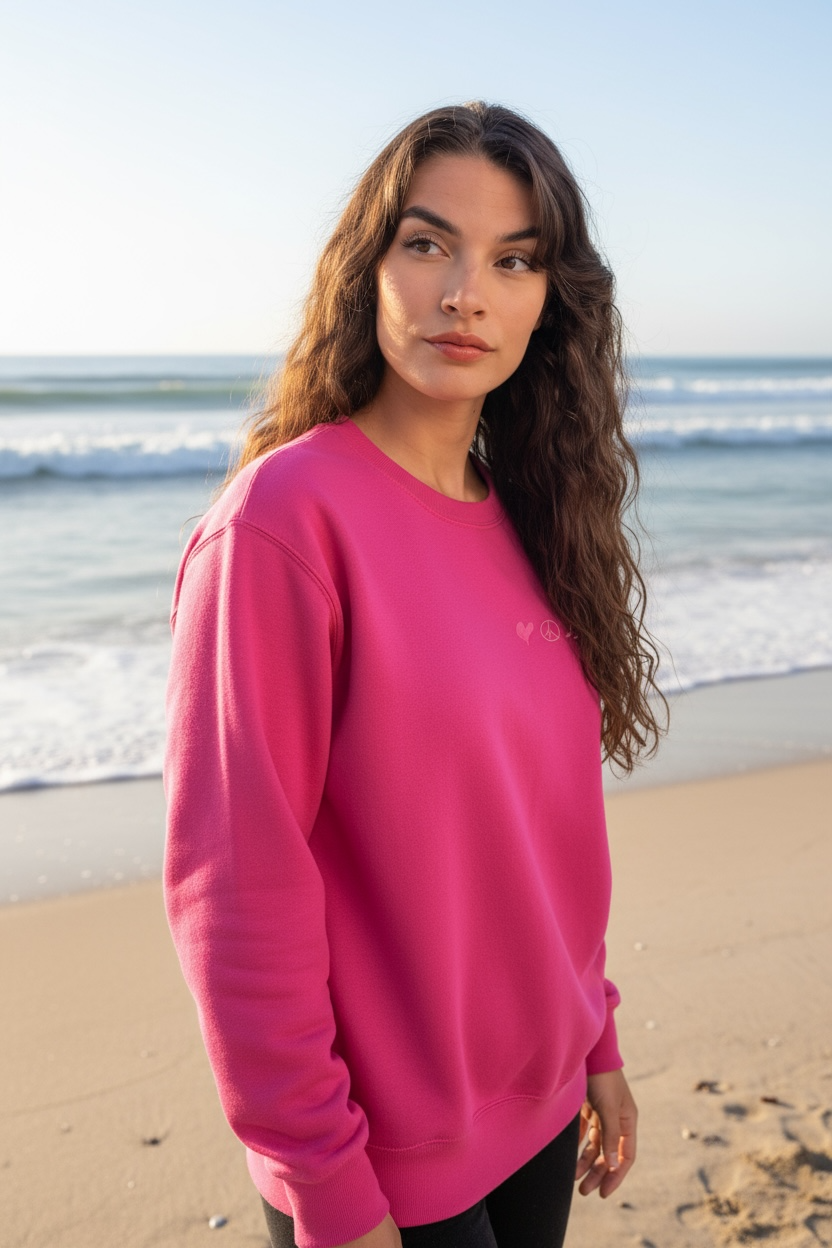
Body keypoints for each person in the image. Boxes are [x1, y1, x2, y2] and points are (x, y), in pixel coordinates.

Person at [163, 100, 666, 1248]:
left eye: (513, 258)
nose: (465, 294)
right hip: (380, 1155)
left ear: (551, 298)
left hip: (539, 1115)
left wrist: (595, 1044)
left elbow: (538, 833)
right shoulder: (282, 527)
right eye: (427, 243)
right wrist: (324, 1186)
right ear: (367, 266)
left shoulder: (532, 522)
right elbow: (236, 890)